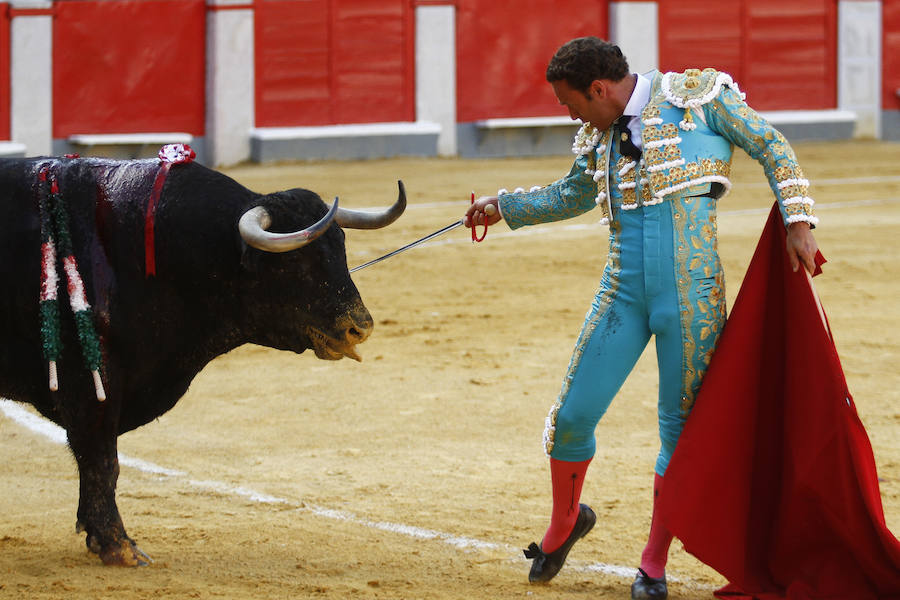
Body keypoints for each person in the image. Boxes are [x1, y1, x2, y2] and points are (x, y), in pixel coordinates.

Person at [464, 36, 819, 600]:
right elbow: (571, 195)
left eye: (569, 102)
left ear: (599, 89)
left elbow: (772, 146)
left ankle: (652, 564)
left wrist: (798, 220)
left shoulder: (700, 98)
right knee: (573, 415)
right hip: (621, 294)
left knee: (676, 432)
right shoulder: (598, 134)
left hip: (692, 295)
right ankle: (565, 522)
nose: (569, 112)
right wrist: (505, 208)